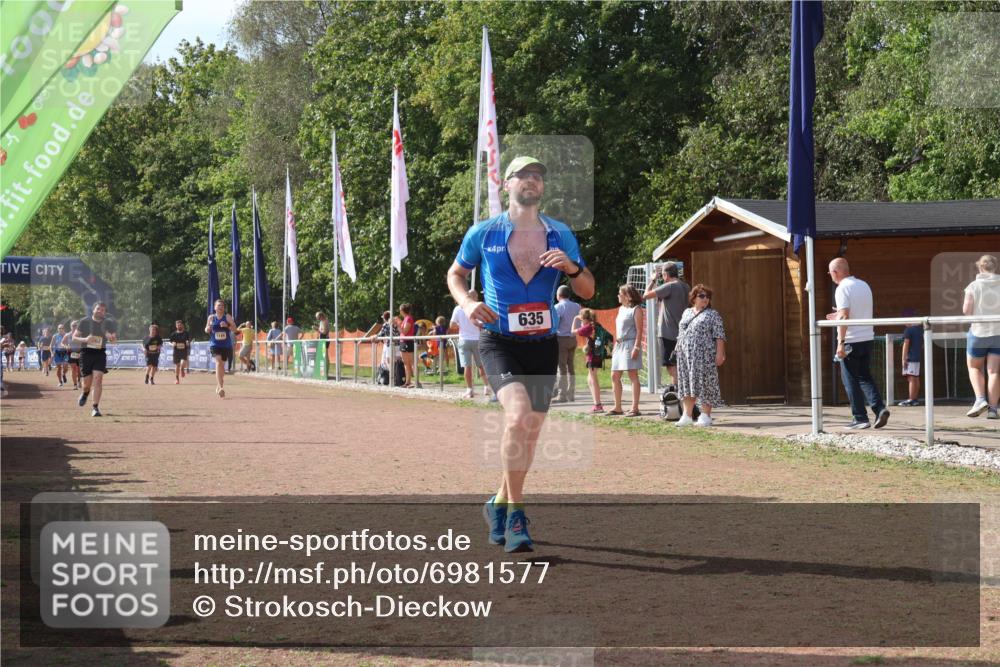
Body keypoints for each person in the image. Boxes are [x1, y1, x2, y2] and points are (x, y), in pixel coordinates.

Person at [447, 155, 594, 553]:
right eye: (523, 176)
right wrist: (466, 302)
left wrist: (572, 269)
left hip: (543, 345)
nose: (531, 181)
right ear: (506, 185)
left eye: (537, 177)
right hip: (499, 341)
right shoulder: (483, 233)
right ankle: (515, 515)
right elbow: (456, 273)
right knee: (518, 417)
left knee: (529, 433)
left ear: (542, 188)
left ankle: (497, 501)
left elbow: (589, 291)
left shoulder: (560, 234)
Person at [826, 257, 890, 430]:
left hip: (851, 340)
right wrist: (838, 315)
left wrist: (840, 343)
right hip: (867, 337)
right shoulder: (864, 285)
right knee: (865, 376)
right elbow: (851, 312)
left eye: (830, 273)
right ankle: (879, 408)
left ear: (835, 272)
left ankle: (860, 417)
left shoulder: (841, 289)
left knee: (850, 380)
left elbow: (845, 316)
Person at [674, 284, 727, 427]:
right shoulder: (686, 312)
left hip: (705, 355)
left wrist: (720, 353)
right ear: (694, 298)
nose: (705, 299)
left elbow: (719, 335)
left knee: (705, 383)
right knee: (687, 383)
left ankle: (705, 415)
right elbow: (681, 333)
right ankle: (687, 415)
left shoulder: (712, 314)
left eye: (708, 297)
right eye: (702, 296)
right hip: (685, 355)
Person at [963, 254, 1000, 419]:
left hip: (979, 332)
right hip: (998, 333)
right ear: (995, 267)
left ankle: (980, 399)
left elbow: (966, 310)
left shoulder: (973, 286)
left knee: (975, 367)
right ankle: (993, 410)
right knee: (994, 372)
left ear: (980, 267)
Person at [642, 262, 689, 386]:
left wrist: (652, 280)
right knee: (679, 365)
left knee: (671, 366)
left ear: (665, 274)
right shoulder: (685, 286)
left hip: (668, 333)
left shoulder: (670, 286)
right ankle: (681, 396)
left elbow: (645, 295)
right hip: (682, 333)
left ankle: (678, 395)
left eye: (662, 275)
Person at [74, 301, 118, 417]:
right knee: (86, 384)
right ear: (93, 310)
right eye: (98, 309)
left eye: (103, 310)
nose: (100, 311)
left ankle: (95, 408)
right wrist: (85, 340)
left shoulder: (108, 323)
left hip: (100, 354)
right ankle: (85, 393)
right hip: (86, 354)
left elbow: (114, 341)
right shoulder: (84, 321)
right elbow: (74, 337)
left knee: (98, 380)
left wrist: (111, 338)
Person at [609, 285, 645, 416]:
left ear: (628, 296)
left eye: (620, 293)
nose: (618, 295)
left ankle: (635, 408)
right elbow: (618, 330)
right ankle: (617, 407)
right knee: (614, 375)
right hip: (620, 345)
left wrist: (636, 347)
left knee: (632, 375)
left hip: (630, 344)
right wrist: (615, 346)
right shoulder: (621, 309)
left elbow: (640, 330)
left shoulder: (636, 309)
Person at [450, 291, 492, 400]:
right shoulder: (478, 307)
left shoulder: (458, 308)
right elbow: (484, 323)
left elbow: (452, 325)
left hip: (464, 340)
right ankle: (486, 386)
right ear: (476, 297)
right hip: (477, 339)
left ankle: (469, 390)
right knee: (481, 365)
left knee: (466, 366)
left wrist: (461, 325)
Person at [573, 308, 605, 413]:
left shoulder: (588, 327)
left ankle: (598, 405)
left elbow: (572, 332)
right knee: (589, 379)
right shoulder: (596, 325)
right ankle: (596, 403)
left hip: (593, 355)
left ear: (585, 319)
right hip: (598, 354)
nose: (581, 321)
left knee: (593, 378)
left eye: (581, 319)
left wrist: (574, 319)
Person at [553, 285, 582, 403]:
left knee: (561, 368)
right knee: (571, 367)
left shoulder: (558, 307)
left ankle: (562, 395)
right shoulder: (577, 306)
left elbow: (556, 322)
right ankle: (571, 394)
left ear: (558, 295)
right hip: (573, 338)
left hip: (562, 339)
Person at [205, 299, 236, 398]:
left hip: (226, 345)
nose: (220, 307)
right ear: (215, 307)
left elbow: (235, 329)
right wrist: (208, 329)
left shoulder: (227, 317)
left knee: (222, 365)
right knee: (218, 362)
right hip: (215, 344)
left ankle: (218, 385)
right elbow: (206, 329)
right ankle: (221, 388)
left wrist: (227, 325)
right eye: (218, 305)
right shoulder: (211, 317)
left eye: (222, 305)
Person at [899, 309, 922, 407]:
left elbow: (906, 345)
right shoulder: (920, 330)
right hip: (917, 357)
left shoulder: (908, 330)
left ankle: (911, 399)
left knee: (911, 378)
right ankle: (915, 398)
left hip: (910, 358)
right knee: (915, 378)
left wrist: (904, 359)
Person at [398, 303, 416, 388]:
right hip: (403, 342)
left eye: (400, 310)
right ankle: (407, 382)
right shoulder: (405, 319)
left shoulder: (409, 318)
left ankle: (416, 382)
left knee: (412, 363)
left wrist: (398, 324)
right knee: (406, 363)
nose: (399, 311)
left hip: (408, 342)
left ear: (402, 310)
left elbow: (404, 331)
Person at [169, 320, 191, 384]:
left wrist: (187, 342)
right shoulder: (173, 334)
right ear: (176, 326)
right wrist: (172, 344)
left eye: (180, 325)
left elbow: (188, 340)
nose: (179, 326)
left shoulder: (186, 333)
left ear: (182, 325)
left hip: (184, 351)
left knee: (182, 363)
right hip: (176, 351)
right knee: (177, 365)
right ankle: (177, 379)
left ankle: (182, 369)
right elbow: (170, 342)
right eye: (178, 325)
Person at [66, 321, 82, 389]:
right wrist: (66, 346)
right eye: (73, 325)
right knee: (73, 369)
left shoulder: (80, 334)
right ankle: (75, 385)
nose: (74, 327)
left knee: (79, 370)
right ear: (70, 326)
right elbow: (62, 343)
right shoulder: (68, 335)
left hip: (79, 352)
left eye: (75, 325)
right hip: (71, 353)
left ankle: (79, 381)